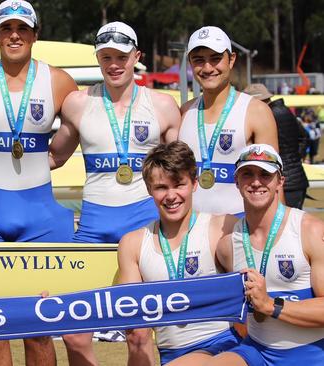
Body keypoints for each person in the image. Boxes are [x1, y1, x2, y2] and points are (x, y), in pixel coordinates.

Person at [0, 0, 77, 364]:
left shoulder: (58, 80)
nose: (14, 35)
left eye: (22, 28)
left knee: (40, 330)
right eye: (6, 28)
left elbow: (83, 125)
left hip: (39, 216)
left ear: (36, 35)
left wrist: (54, 157)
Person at [47, 21, 181, 365]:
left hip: (143, 224)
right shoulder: (77, 103)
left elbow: (180, 173)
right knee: (75, 332)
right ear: (98, 59)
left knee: (138, 334)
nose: (114, 64)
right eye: (106, 57)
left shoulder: (163, 105)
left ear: (136, 56)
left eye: (121, 56)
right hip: (93, 223)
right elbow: (53, 157)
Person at [117, 141, 240, 366]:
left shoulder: (221, 228)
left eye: (178, 184)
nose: (171, 196)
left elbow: (251, 300)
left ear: (194, 183)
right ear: (148, 189)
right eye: (162, 187)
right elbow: (136, 336)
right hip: (172, 355)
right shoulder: (132, 244)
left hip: (223, 346)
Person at [207, 144, 324, 365]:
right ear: (237, 182)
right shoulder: (227, 246)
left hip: (311, 353)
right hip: (256, 350)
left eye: (265, 174)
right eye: (247, 174)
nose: (256, 182)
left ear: (280, 181)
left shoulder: (309, 230)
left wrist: (270, 305)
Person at [179, 26, 278, 216]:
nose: (208, 68)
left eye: (215, 58)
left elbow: (274, 181)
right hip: (192, 229)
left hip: (241, 227)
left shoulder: (257, 111)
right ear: (190, 64)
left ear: (231, 60)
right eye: (199, 60)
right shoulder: (185, 112)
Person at [244, 83, 309, 209]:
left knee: (281, 225)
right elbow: (303, 137)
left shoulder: (267, 116)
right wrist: (294, 157)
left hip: (281, 181)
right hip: (296, 177)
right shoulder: (285, 111)